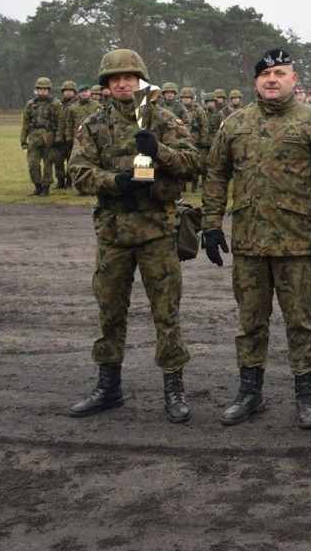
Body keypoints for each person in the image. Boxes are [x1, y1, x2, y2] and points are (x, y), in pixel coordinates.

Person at [201, 49, 311, 429]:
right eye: (265, 74)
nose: (272, 79)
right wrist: (211, 225)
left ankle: (306, 396)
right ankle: (250, 393)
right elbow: (216, 174)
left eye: (280, 73)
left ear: (294, 80)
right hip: (249, 244)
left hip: (299, 245)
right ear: (255, 82)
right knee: (251, 322)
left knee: (300, 322)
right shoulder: (236, 123)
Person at [67, 50, 201, 422]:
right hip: (114, 231)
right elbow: (78, 172)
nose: (122, 83)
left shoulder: (162, 118)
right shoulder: (94, 124)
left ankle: (173, 388)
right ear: (106, 86)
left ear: (142, 82)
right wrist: (113, 182)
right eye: (115, 79)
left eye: (129, 78)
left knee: (166, 314)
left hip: (157, 230)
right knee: (110, 311)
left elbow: (194, 161)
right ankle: (108, 387)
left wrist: (159, 150)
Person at [20, 76, 62, 196]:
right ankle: (37, 186)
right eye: (40, 89)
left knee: (48, 164)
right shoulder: (30, 104)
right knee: (33, 164)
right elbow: (26, 123)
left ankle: (46, 187)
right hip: (34, 137)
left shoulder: (55, 104)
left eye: (45, 89)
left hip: (49, 136)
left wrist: (58, 138)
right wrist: (23, 139)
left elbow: (60, 122)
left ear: (49, 90)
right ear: (36, 90)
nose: (42, 91)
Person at [179, 87, 209, 192]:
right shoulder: (179, 109)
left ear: (192, 99)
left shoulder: (198, 110)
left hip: (195, 141)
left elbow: (204, 126)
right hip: (182, 141)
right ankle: (182, 186)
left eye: (188, 98)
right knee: (182, 163)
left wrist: (203, 141)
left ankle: (194, 186)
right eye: (184, 98)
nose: (186, 100)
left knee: (196, 164)